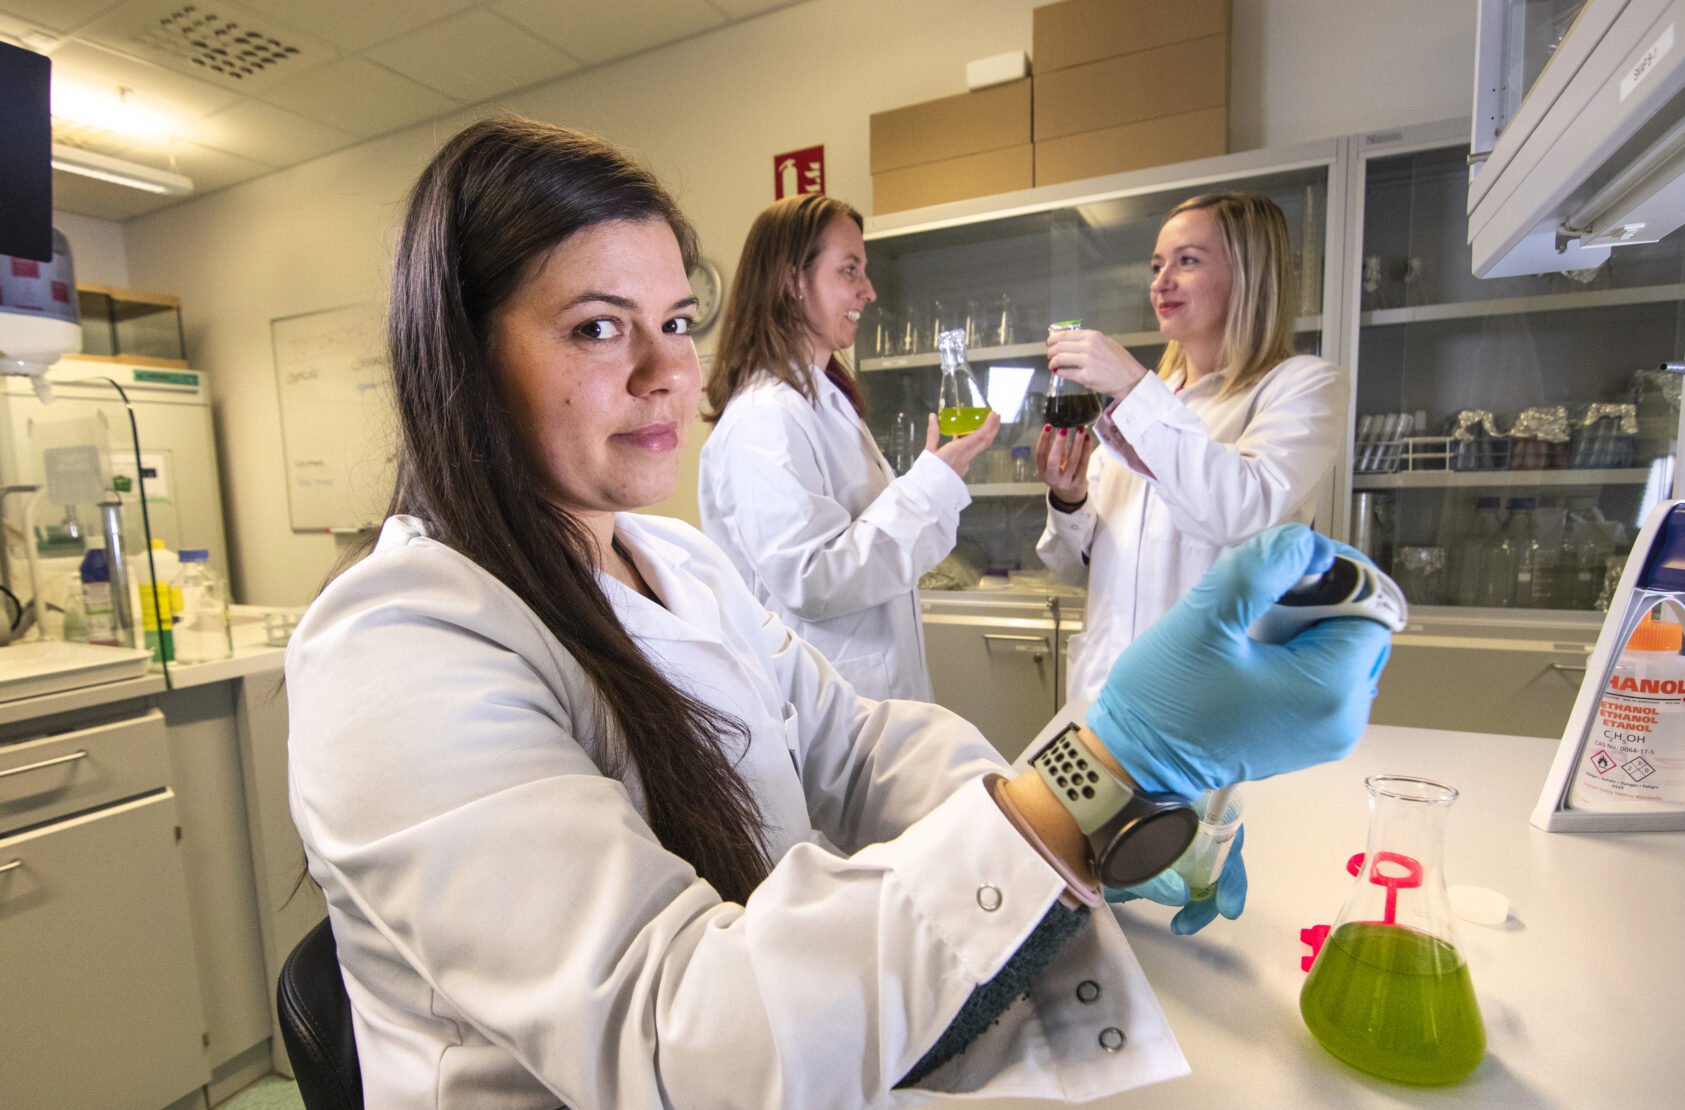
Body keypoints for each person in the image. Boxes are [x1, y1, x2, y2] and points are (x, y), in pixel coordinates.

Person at [285, 118, 1391, 1109]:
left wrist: (1097, 812)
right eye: (595, 328)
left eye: (674, 318)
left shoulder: (674, 563)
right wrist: (1102, 774)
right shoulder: (395, 648)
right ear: (460, 356)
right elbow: (681, 1044)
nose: (670, 369)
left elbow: (858, 747)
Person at [1035, 192, 1348, 703]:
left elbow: (1239, 511)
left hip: (1208, 706)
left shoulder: (1302, 387)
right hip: (1103, 699)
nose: (1160, 282)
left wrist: (1134, 387)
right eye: (1157, 265)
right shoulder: (1147, 406)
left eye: (1187, 261)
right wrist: (1069, 500)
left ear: (1248, 274)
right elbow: (1078, 568)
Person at [697, 194, 1000, 701]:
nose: (869, 291)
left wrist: (938, 481)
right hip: (822, 708)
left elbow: (869, 548)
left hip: (864, 697)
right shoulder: (763, 418)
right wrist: (930, 487)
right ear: (793, 281)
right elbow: (811, 579)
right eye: (850, 270)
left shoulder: (824, 401)